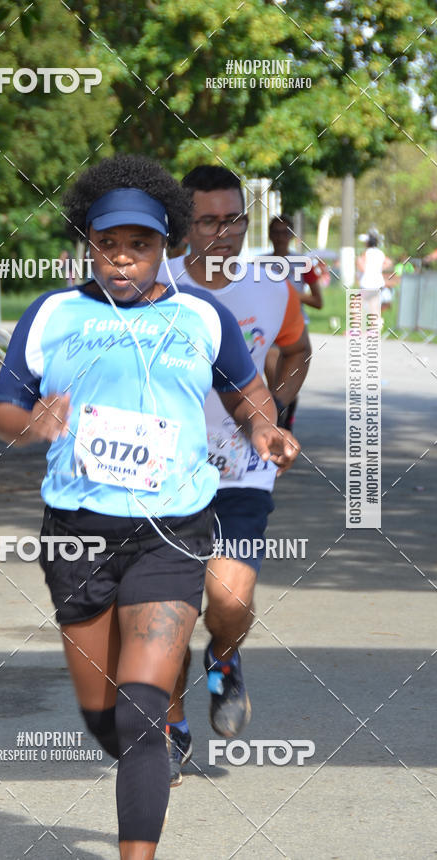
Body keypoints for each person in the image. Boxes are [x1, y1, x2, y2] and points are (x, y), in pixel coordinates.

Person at [0, 155, 299, 858]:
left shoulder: (200, 315)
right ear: (87, 243)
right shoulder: (51, 314)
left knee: (140, 716)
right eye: (108, 244)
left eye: (140, 244)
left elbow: (245, 388)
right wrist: (31, 424)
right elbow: (3, 409)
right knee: (106, 719)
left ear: (167, 244)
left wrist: (263, 426)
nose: (123, 258)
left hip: (174, 529)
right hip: (76, 535)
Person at [157, 165, 309, 786]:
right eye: (208, 221)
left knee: (228, 599)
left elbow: (296, 351)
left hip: (242, 470)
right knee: (164, 611)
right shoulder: (149, 284)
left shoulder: (273, 288)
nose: (223, 233)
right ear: (182, 226)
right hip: (158, 472)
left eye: (234, 220)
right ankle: (170, 730)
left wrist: (277, 407)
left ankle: (224, 658)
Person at [265, 214, 321, 432]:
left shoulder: (302, 263)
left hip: (294, 326)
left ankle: (286, 419)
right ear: (270, 235)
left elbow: (318, 301)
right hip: (270, 326)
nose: (280, 237)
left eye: (285, 232)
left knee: (287, 381)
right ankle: (277, 420)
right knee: (274, 379)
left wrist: (291, 295)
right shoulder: (258, 263)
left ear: (292, 236)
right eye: (276, 232)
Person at [356, 231, 392, 320]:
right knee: (374, 306)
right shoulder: (380, 253)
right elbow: (388, 262)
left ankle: (357, 328)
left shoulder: (366, 253)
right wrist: (380, 268)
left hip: (367, 282)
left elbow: (361, 267)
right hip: (378, 282)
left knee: (358, 305)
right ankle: (375, 326)